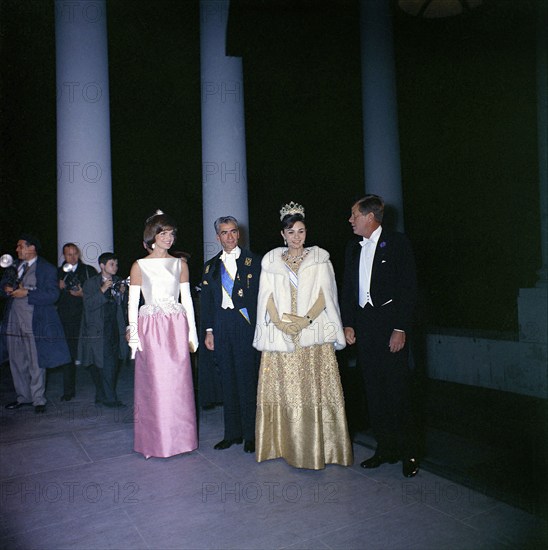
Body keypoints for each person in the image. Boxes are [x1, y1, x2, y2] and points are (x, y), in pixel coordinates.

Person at [253, 202, 353, 470]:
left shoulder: (320, 258)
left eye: (301, 231)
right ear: (282, 234)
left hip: (312, 331)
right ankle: (282, 444)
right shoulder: (272, 261)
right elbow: (267, 297)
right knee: (285, 390)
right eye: (291, 232)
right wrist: (280, 323)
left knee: (312, 390)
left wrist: (306, 320)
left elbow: (326, 296)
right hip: (282, 332)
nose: (297, 237)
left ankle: (318, 447)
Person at [341, 194, 419, 478]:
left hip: (390, 326)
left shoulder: (398, 243)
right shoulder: (353, 248)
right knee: (373, 391)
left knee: (398, 391)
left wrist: (401, 328)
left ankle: (408, 452)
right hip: (365, 327)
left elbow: (408, 288)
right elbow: (349, 289)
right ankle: (384, 448)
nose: (350, 220)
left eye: (354, 215)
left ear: (369, 217)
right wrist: (348, 323)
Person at [127, 210, 199, 459]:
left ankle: (181, 440)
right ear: (152, 236)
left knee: (179, 385)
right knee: (155, 385)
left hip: (176, 326)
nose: (169, 238)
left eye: (171, 233)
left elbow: (187, 300)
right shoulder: (139, 265)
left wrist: (194, 335)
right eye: (163, 233)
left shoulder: (181, 264)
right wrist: (133, 335)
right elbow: (132, 303)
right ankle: (155, 441)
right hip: (151, 328)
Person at [200, 216, 261, 453]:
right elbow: (206, 303)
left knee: (247, 379)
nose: (230, 236)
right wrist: (208, 330)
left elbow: (260, 299)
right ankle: (231, 433)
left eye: (233, 231)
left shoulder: (253, 261)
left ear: (239, 234)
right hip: (221, 325)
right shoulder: (210, 266)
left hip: (245, 323)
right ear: (218, 237)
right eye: (224, 233)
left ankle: (250, 434)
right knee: (227, 380)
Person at [0, 234, 70, 413]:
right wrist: (6, 288)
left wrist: (28, 294)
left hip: (34, 320)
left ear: (32, 248)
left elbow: (53, 295)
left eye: (20, 246)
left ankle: (38, 399)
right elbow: (4, 284)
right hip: (13, 321)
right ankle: (23, 397)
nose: (17, 250)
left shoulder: (46, 268)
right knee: (16, 360)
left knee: (35, 360)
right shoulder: (14, 266)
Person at [78, 252, 129, 408]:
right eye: (112, 264)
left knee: (111, 364)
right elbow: (89, 305)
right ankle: (109, 398)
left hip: (114, 329)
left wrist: (122, 293)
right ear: (102, 266)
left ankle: (104, 395)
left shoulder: (119, 281)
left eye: (116, 264)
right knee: (100, 364)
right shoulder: (91, 283)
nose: (115, 267)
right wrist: (102, 290)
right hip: (97, 331)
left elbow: (123, 305)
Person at [57, 243, 97, 401]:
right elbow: (53, 298)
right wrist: (58, 288)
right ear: (63, 256)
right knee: (69, 354)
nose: (72, 257)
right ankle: (68, 390)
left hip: (86, 317)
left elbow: (97, 294)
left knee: (92, 351)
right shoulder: (58, 273)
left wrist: (82, 294)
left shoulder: (88, 271)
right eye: (68, 254)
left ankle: (101, 389)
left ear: (79, 253)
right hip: (66, 319)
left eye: (75, 254)